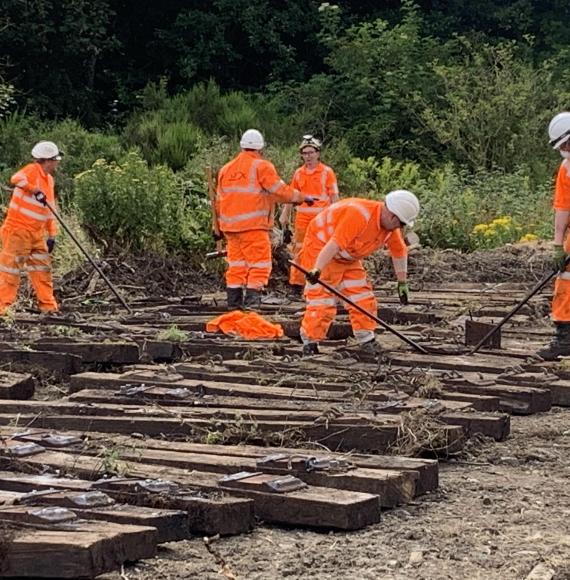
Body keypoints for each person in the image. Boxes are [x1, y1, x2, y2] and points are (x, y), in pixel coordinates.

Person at [298, 190, 420, 356]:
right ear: (392, 216)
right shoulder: (359, 215)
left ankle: (366, 338)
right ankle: (310, 343)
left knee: (362, 296)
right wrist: (316, 269)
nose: (400, 228)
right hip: (322, 248)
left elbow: (399, 251)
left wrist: (402, 282)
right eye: (401, 223)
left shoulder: (390, 229)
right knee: (322, 301)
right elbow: (334, 245)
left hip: (347, 256)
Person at [216, 129, 314, 310]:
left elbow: (220, 200)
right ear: (261, 147)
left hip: (230, 228)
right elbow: (280, 190)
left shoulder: (226, 169)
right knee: (259, 265)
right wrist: (301, 198)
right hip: (253, 227)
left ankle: (234, 306)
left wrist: (218, 228)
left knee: (236, 266)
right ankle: (252, 306)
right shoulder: (261, 166)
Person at [0, 141, 62, 316]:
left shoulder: (49, 180)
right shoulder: (32, 170)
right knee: (10, 272)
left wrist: (52, 234)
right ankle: (3, 309)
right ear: (47, 160)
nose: (57, 163)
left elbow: (50, 209)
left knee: (43, 270)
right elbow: (16, 179)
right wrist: (34, 189)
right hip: (17, 230)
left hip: (36, 234)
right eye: (55, 159)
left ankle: (48, 307)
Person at [279, 135, 339, 296]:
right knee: (299, 250)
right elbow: (291, 195)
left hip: (322, 219)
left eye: (311, 152)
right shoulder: (299, 173)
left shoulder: (327, 172)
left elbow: (334, 197)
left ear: (318, 153)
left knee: (322, 250)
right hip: (303, 219)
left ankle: (323, 283)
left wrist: (336, 219)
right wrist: (285, 214)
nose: (308, 156)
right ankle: (297, 284)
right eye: (305, 153)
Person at [537, 112, 570, 359]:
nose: (565, 150)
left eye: (567, 144)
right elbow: (563, 207)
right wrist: (558, 245)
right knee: (565, 278)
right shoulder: (566, 168)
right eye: (562, 146)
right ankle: (564, 338)